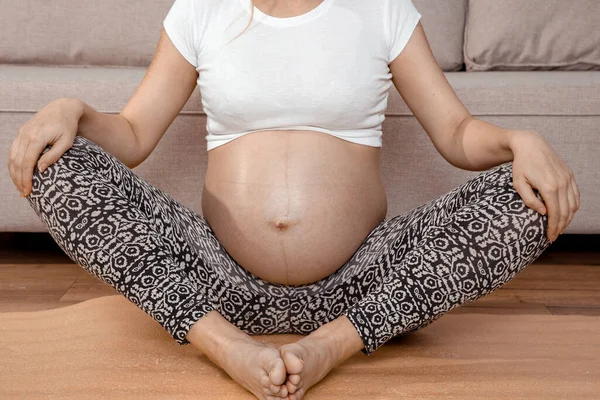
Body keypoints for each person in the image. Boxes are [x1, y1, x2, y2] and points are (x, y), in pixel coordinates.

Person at [7, 0, 580, 399]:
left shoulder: (381, 9)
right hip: (212, 278)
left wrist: (519, 140)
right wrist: (72, 109)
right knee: (59, 167)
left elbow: (456, 132)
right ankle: (225, 345)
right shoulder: (200, 10)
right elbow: (131, 134)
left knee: (525, 197)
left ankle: (332, 346)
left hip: (365, 282)